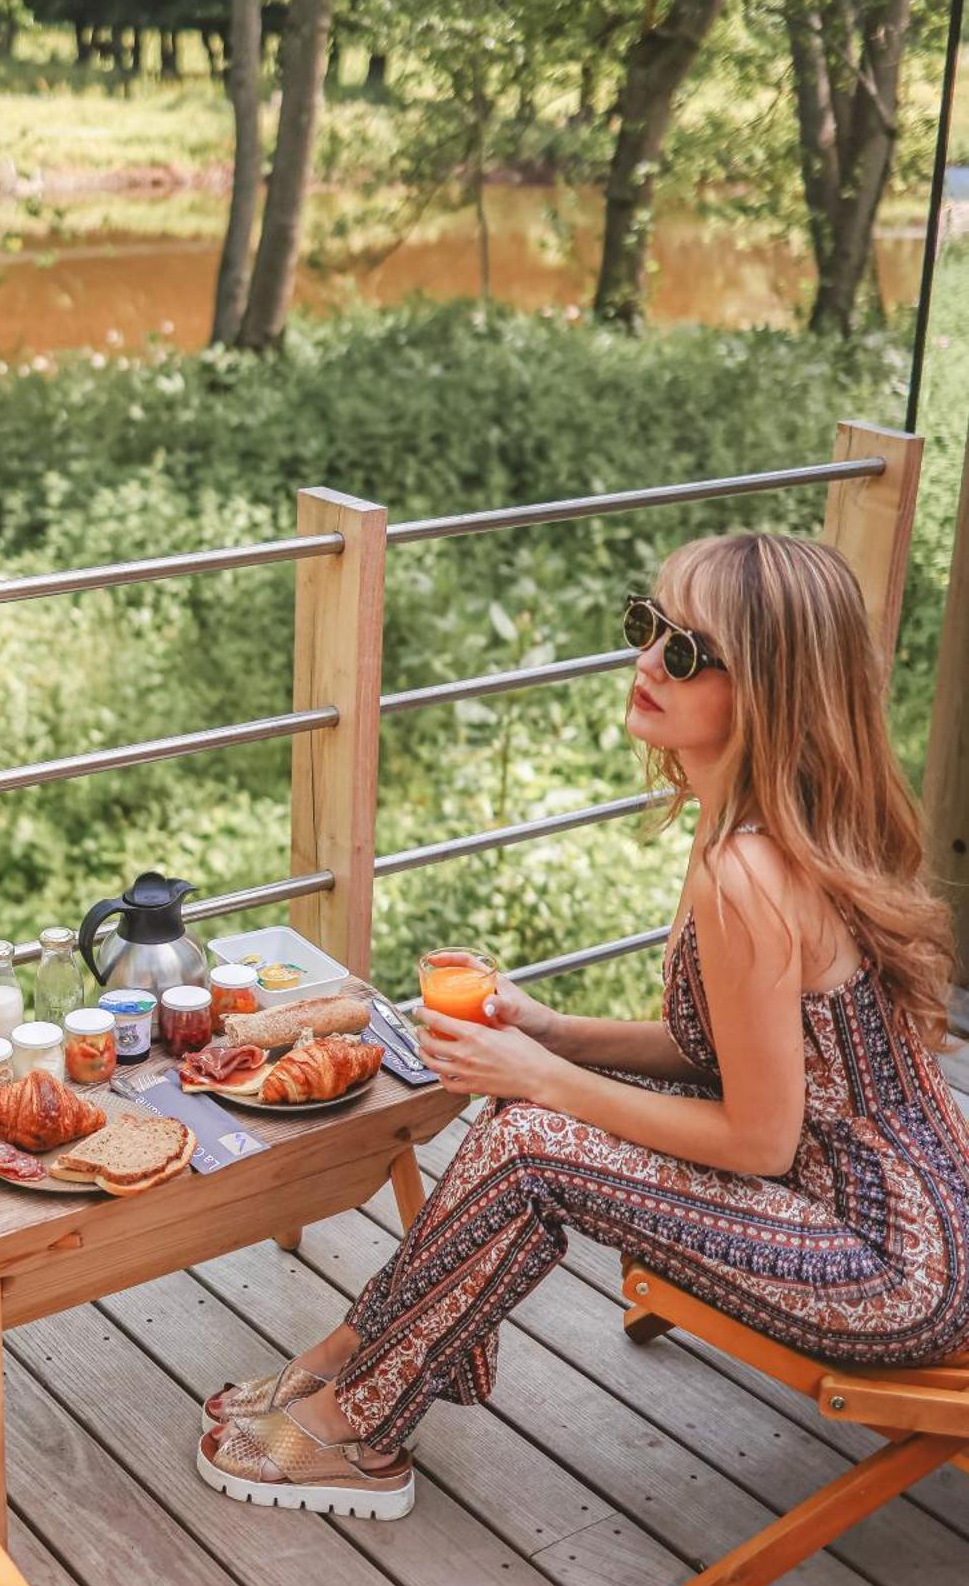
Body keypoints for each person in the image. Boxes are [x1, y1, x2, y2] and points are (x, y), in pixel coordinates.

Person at [196, 532, 969, 1519]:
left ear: (766, 690)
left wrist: (541, 1076)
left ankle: (359, 1421)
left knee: (527, 1143)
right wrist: (553, 1031)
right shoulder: (780, 824)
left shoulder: (745, 874)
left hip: (886, 1272)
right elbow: (725, 1055)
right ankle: (363, 1352)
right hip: (914, 1213)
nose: (644, 661)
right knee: (527, 1117)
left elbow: (757, 1135)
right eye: (645, 627)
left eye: (684, 651)